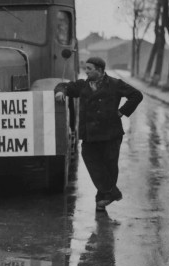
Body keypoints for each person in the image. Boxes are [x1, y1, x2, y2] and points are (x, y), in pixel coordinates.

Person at [54, 57, 143, 211]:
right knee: (91, 160)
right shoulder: (82, 85)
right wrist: (60, 91)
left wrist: (122, 111)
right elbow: (64, 85)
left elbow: (136, 95)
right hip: (90, 135)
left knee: (109, 166)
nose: (86, 71)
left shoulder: (115, 84)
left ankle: (101, 201)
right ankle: (111, 193)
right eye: (86, 68)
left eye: (89, 69)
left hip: (111, 134)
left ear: (100, 70)